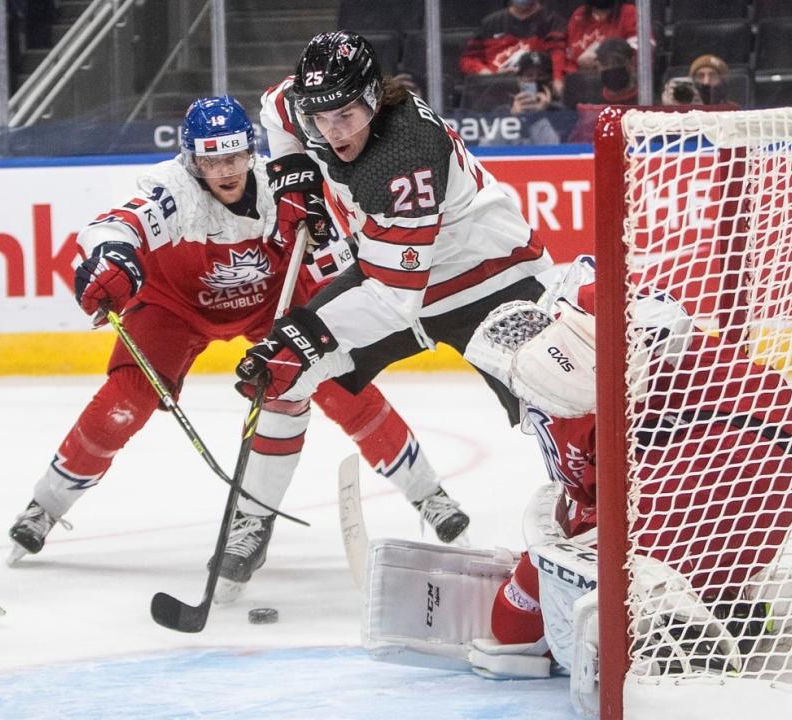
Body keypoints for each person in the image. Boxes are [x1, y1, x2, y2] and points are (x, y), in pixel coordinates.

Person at [7, 95, 472, 600]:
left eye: (233, 157)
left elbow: (340, 259)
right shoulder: (175, 190)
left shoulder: (284, 185)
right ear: (192, 159)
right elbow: (116, 226)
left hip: (271, 299)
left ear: (251, 152)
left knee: (340, 381)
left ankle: (429, 495)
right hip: (175, 306)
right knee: (126, 400)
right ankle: (45, 506)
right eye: (211, 159)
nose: (225, 171)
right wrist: (111, 256)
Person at [229, 30, 553, 580]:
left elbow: (392, 297)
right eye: (321, 120)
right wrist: (294, 176)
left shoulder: (406, 156)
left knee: (557, 405)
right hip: (393, 265)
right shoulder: (309, 106)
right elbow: (275, 110)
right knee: (282, 379)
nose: (332, 133)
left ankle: (603, 521)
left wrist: (305, 339)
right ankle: (252, 522)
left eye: (346, 117)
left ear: (375, 99)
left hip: (490, 279)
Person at [463, 257, 792, 672]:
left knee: (522, 621)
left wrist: (530, 583)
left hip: (706, 470)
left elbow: (516, 628)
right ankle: (720, 605)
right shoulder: (582, 373)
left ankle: (683, 637)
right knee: (597, 575)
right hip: (777, 467)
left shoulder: (572, 377)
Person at [459, 0, 568, 97]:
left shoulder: (552, 21)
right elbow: (467, 60)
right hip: (495, 93)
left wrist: (558, 79)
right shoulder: (490, 23)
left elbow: (558, 54)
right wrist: (488, 75)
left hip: (537, 94)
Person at [564, 0, 641, 75]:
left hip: (617, 81)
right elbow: (568, 61)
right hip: (581, 82)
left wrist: (601, 55)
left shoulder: (630, 12)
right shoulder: (579, 15)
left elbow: (640, 53)